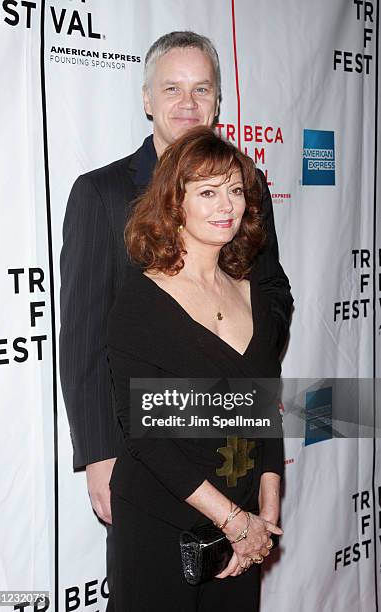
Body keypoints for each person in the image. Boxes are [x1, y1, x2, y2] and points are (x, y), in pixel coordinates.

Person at [59, 31, 292, 600]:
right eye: (172, 88)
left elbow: (272, 288)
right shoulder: (102, 193)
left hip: (234, 444)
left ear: (217, 101)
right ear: (147, 99)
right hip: (146, 451)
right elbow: (84, 334)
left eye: (202, 90)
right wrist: (97, 453)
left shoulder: (246, 186)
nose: (188, 103)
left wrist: (242, 362)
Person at [106, 126, 285, 611]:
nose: (227, 205)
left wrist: (265, 511)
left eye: (234, 190)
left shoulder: (257, 295)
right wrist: (233, 521)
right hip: (162, 521)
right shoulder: (141, 302)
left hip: (245, 521)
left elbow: (265, 408)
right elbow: (149, 438)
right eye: (207, 192)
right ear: (173, 203)